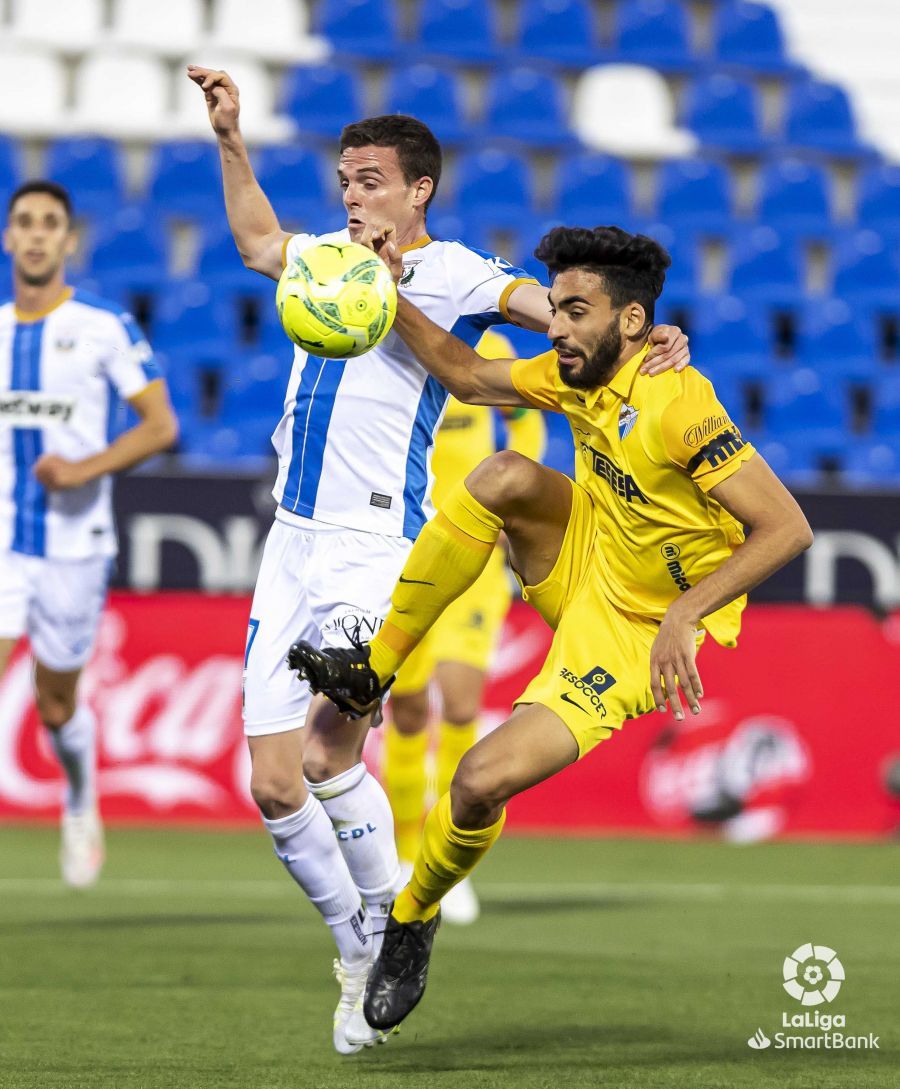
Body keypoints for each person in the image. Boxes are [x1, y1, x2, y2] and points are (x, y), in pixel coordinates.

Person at [187, 63, 689, 1054]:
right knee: (275, 784)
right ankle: (355, 945)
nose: (351, 192)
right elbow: (253, 240)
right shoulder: (325, 256)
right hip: (290, 537)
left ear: (418, 189)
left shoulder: (454, 271)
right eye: (344, 175)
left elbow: (550, 313)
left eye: (370, 177)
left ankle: (393, 930)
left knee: (333, 748)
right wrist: (232, 138)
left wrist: (640, 339)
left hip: (376, 540)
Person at [288, 223, 815, 1034]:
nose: (557, 327)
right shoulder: (578, 375)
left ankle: (413, 913)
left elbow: (786, 528)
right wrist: (386, 295)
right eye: (557, 309)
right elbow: (466, 374)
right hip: (580, 555)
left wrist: (684, 613)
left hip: (636, 632)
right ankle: (376, 665)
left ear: (633, 322)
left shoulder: (680, 405)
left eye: (575, 311)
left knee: (477, 782)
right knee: (500, 473)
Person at [0, 180, 178, 887]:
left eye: (51, 223)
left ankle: (80, 797)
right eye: (25, 223)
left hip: (74, 546)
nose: (38, 235)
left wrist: (84, 469)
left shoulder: (105, 325)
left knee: (56, 703)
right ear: (9, 238)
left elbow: (162, 426)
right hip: (5, 540)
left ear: (68, 241)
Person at [385, 328, 546, 925]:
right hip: (405, 545)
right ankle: (402, 856)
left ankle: (439, 860)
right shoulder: (387, 339)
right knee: (405, 710)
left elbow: (527, 419)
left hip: (475, 547)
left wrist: (514, 498)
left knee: (459, 703)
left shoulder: (492, 349)